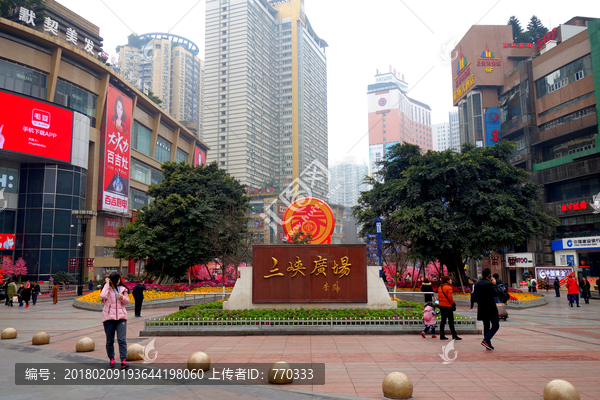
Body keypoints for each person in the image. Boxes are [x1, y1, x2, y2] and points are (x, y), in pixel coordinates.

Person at [101, 272, 130, 369]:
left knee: (121, 339)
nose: (119, 281)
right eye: (118, 279)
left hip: (121, 317)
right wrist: (106, 284)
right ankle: (112, 359)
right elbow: (102, 296)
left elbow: (127, 302)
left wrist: (122, 298)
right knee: (110, 340)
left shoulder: (123, 289)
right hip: (109, 318)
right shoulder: (107, 289)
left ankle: (123, 360)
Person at [475, 268, 501, 350]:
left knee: (486, 325)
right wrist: (494, 284)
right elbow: (496, 293)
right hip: (490, 307)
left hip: (481, 307)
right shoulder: (489, 284)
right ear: (489, 275)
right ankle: (486, 340)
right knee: (495, 325)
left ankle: (487, 343)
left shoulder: (477, 284)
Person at [437, 275, 461, 341]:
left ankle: (442, 334)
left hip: (441, 306)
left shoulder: (440, 287)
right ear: (447, 280)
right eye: (450, 279)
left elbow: (439, 297)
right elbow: (450, 298)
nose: (451, 280)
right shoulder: (449, 288)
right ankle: (454, 335)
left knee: (443, 321)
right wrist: (453, 303)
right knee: (451, 321)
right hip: (448, 306)